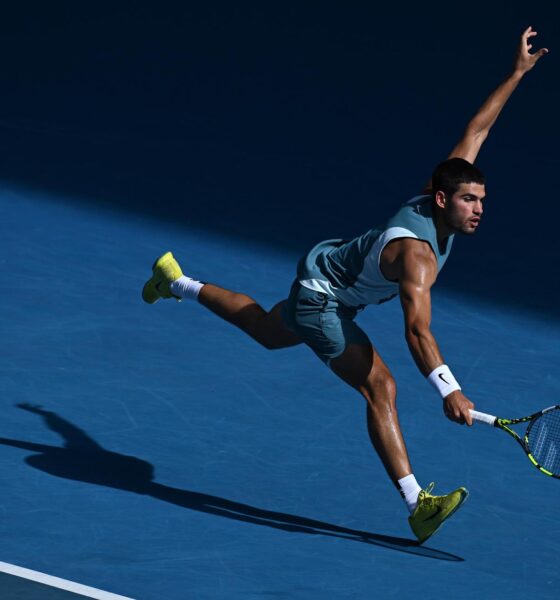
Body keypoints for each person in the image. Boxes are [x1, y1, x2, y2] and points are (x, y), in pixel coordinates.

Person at [142, 27, 548, 544]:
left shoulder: (438, 189)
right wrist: (450, 390)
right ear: (444, 200)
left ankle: (175, 281)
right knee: (381, 387)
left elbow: (478, 128)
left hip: (329, 272)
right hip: (325, 299)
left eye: (483, 201)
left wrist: (516, 74)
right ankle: (417, 505)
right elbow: (417, 333)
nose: (479, 210)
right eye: (470, 200)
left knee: (268, 330)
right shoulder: (418, 257)